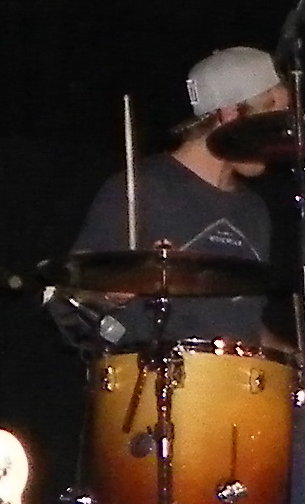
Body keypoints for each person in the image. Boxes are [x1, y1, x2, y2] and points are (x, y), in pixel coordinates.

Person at [62, 45, 285, 353]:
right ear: (230, 114)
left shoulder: (254, 210)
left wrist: (299, 360)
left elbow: (243, 328)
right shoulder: (142, 189)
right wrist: (110, 292)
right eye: (272, 122)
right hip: (156, 374)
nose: (281, 137)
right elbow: (68, 294)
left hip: (235, 379)